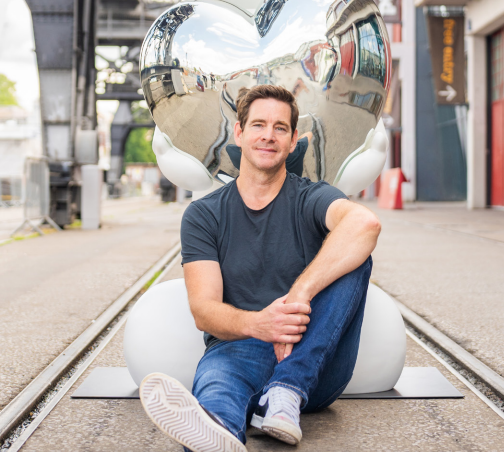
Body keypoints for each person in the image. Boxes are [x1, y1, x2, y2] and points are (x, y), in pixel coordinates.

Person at [140, 85, 381, 452]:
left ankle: (286, 390)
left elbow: (364, 225)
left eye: (280, 128)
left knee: (354, 253)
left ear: (293, 140)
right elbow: (204, 311)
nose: (268, 135)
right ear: (239, 133)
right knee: (219, 387)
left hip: (315, 356)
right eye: (258, 125)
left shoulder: (311, 196)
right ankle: (217, 432)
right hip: (241, 349)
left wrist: (297, 296)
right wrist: (261, 324)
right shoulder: (204, 215)